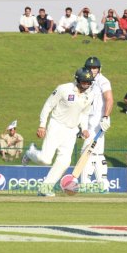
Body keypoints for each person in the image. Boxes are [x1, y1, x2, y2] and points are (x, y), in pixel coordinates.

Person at [22, 67, 95, 196]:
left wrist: (84, 129)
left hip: (71, 131)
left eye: (89, 82)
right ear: (77, 79)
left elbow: (84, 113)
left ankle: (45, 188)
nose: (87, 84)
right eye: (84, 81)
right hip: (56, 126)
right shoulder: (64, 88)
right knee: (45, 159)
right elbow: (48, 106)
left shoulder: (90, 95)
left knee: (65, 162)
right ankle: (30, 152)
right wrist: (42, 125)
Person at [80, 57, 114, 192]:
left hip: (98, 121)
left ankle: (85, 183)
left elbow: (109, 99)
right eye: (90, 68)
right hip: (87, 120)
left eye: (95, 68)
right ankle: (103, 183)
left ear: (99, 69)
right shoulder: (84, 80)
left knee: (86, 151)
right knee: (97, 152)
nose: (92, 70)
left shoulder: (103, 81)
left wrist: (106, 117)